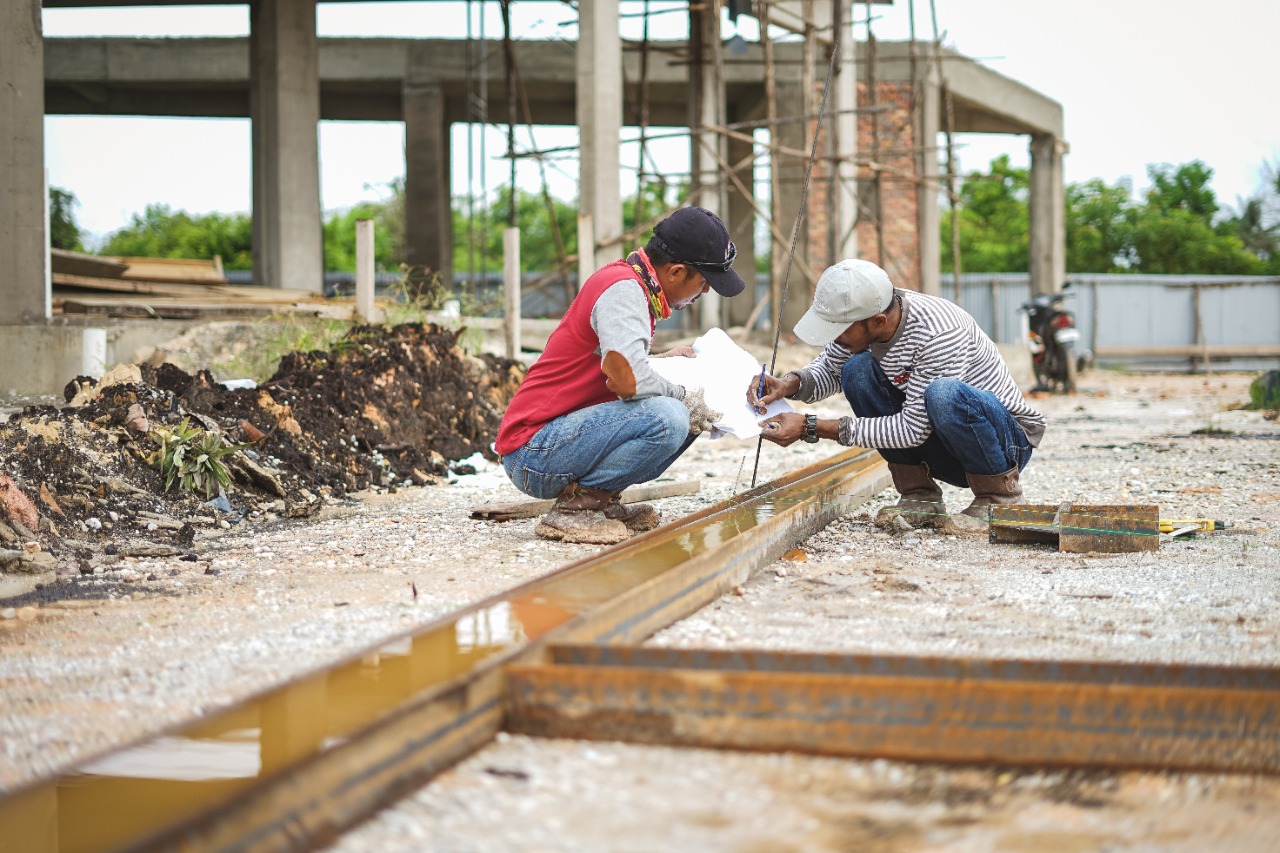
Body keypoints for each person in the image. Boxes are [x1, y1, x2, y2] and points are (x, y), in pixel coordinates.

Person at [496, 207, 746, 544]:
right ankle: (575, 510)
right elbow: (630, 382)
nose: (704, 293)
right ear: (675, 271)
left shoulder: (630, 286)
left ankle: (600, 502)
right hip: (533, 451)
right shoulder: (625, 293)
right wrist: (682, 395)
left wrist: (660, 360)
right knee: (672, 415)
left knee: (690, 408)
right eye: (704, 282)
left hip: (556, 440)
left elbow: (615, 365)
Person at [749, 258, 1045, 532]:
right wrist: (788, 384)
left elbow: (912, 430)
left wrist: (810, 427)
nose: (834, 337)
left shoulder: (938, 333)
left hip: (1005, 444)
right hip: (944, 438)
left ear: (878, 321)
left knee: (943, 393)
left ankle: (998, 497)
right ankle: (920, 496)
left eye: (839, 330)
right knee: (856, 370)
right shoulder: (861, 321)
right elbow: (830, 369)